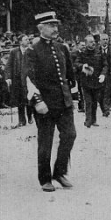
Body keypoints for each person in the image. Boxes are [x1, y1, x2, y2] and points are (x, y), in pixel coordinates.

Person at [25, 11, 77, 192]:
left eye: (56, 25)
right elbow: (28, 78)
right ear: (41, 28)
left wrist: (72, 95)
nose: (55, 29)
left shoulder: (62, 48)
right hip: (45, 105)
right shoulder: (33, 50)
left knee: (70, 135)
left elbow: (69, 75)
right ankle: (45, 178)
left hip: (64, 103)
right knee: (45, 141)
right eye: (51, 26)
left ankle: (60, 172)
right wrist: (38, 101)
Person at [75, 35, 107, 128]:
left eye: (93, 41)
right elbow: (76, 63)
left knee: (94, 101)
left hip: (97, 81)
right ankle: (88, 120)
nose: (93, 43)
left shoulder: (99, 53)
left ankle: (94, 120)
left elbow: (105, 65)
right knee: (88, 101)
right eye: (90, 42)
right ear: (86, 43)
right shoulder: (82, 54)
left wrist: (103, 74)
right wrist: (82, 66)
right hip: (86, 81)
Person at [6, 34, 32, 127]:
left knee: (29, 98)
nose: (28, 41)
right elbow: (9, 65)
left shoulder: (31, 51)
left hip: (29, 79)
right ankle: (22, 120)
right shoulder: (14, 52)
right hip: (17, 80)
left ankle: (30, 116)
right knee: (20, 100)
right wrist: (8, 77)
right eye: (26, 39)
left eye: (28, 39)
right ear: (20, 42)